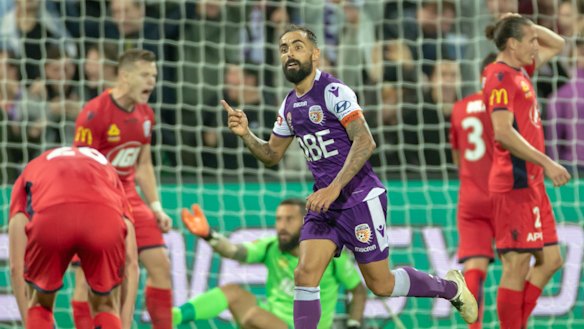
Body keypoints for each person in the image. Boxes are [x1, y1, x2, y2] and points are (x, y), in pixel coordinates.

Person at [223, 24, 478, 328]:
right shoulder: (289, 105)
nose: (289, 53)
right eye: (283, 48)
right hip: (324, 204)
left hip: (358, 198)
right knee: (304, 274)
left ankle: (450, 288)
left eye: (297, 46)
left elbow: (365, 141)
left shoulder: (334, 91)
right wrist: (246, 134)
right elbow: (271, 155)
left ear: (315, 54)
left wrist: (333, 188)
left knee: (380, 285)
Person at [72, 48, 173, 329]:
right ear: (125, 76)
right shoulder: (94, 114)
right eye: (144, 75)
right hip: (94, 201)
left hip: (129, 198)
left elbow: (143, 164)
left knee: (161, 266)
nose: (151, 81)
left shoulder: (145, 114)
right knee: (87, 282)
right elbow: (78, 170)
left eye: (153, 75)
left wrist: (155, 207)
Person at [482, 14, 571, 329]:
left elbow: (558, 43)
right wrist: (547, 162)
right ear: (512, 44)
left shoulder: (520, 70)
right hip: (514, 184)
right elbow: (502, 132)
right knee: (517, 265)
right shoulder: (499, 77)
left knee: (551, 260)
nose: (537, 45)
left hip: (532, 185)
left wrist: (526, 23)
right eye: (531, 40)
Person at [174, 199, 367, 328]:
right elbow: (234, 251)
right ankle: (174, 317)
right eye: (278, 219)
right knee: (232, 292)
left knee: (253, 317)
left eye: (289, 219)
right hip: (272, 318)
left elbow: (358, 290)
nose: (282, 226)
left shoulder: (329, 255)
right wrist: (209, 235)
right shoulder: (271, 247)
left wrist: (354, 324)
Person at [8, 146, 134, 329]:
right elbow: (131, 261)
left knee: (39, 304)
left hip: (51, 217)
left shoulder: (30, 171)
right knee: (106, 305)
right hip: (102, 217)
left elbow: (15, 266)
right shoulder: (108, 171)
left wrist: (29, 320)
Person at [449, 53, 498, 329]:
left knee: (475, 266)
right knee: (517, 264)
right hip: (504, 195)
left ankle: (475, 327)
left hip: (471, 196)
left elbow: (457, 158)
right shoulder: (504, 105)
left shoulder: (459, 108)